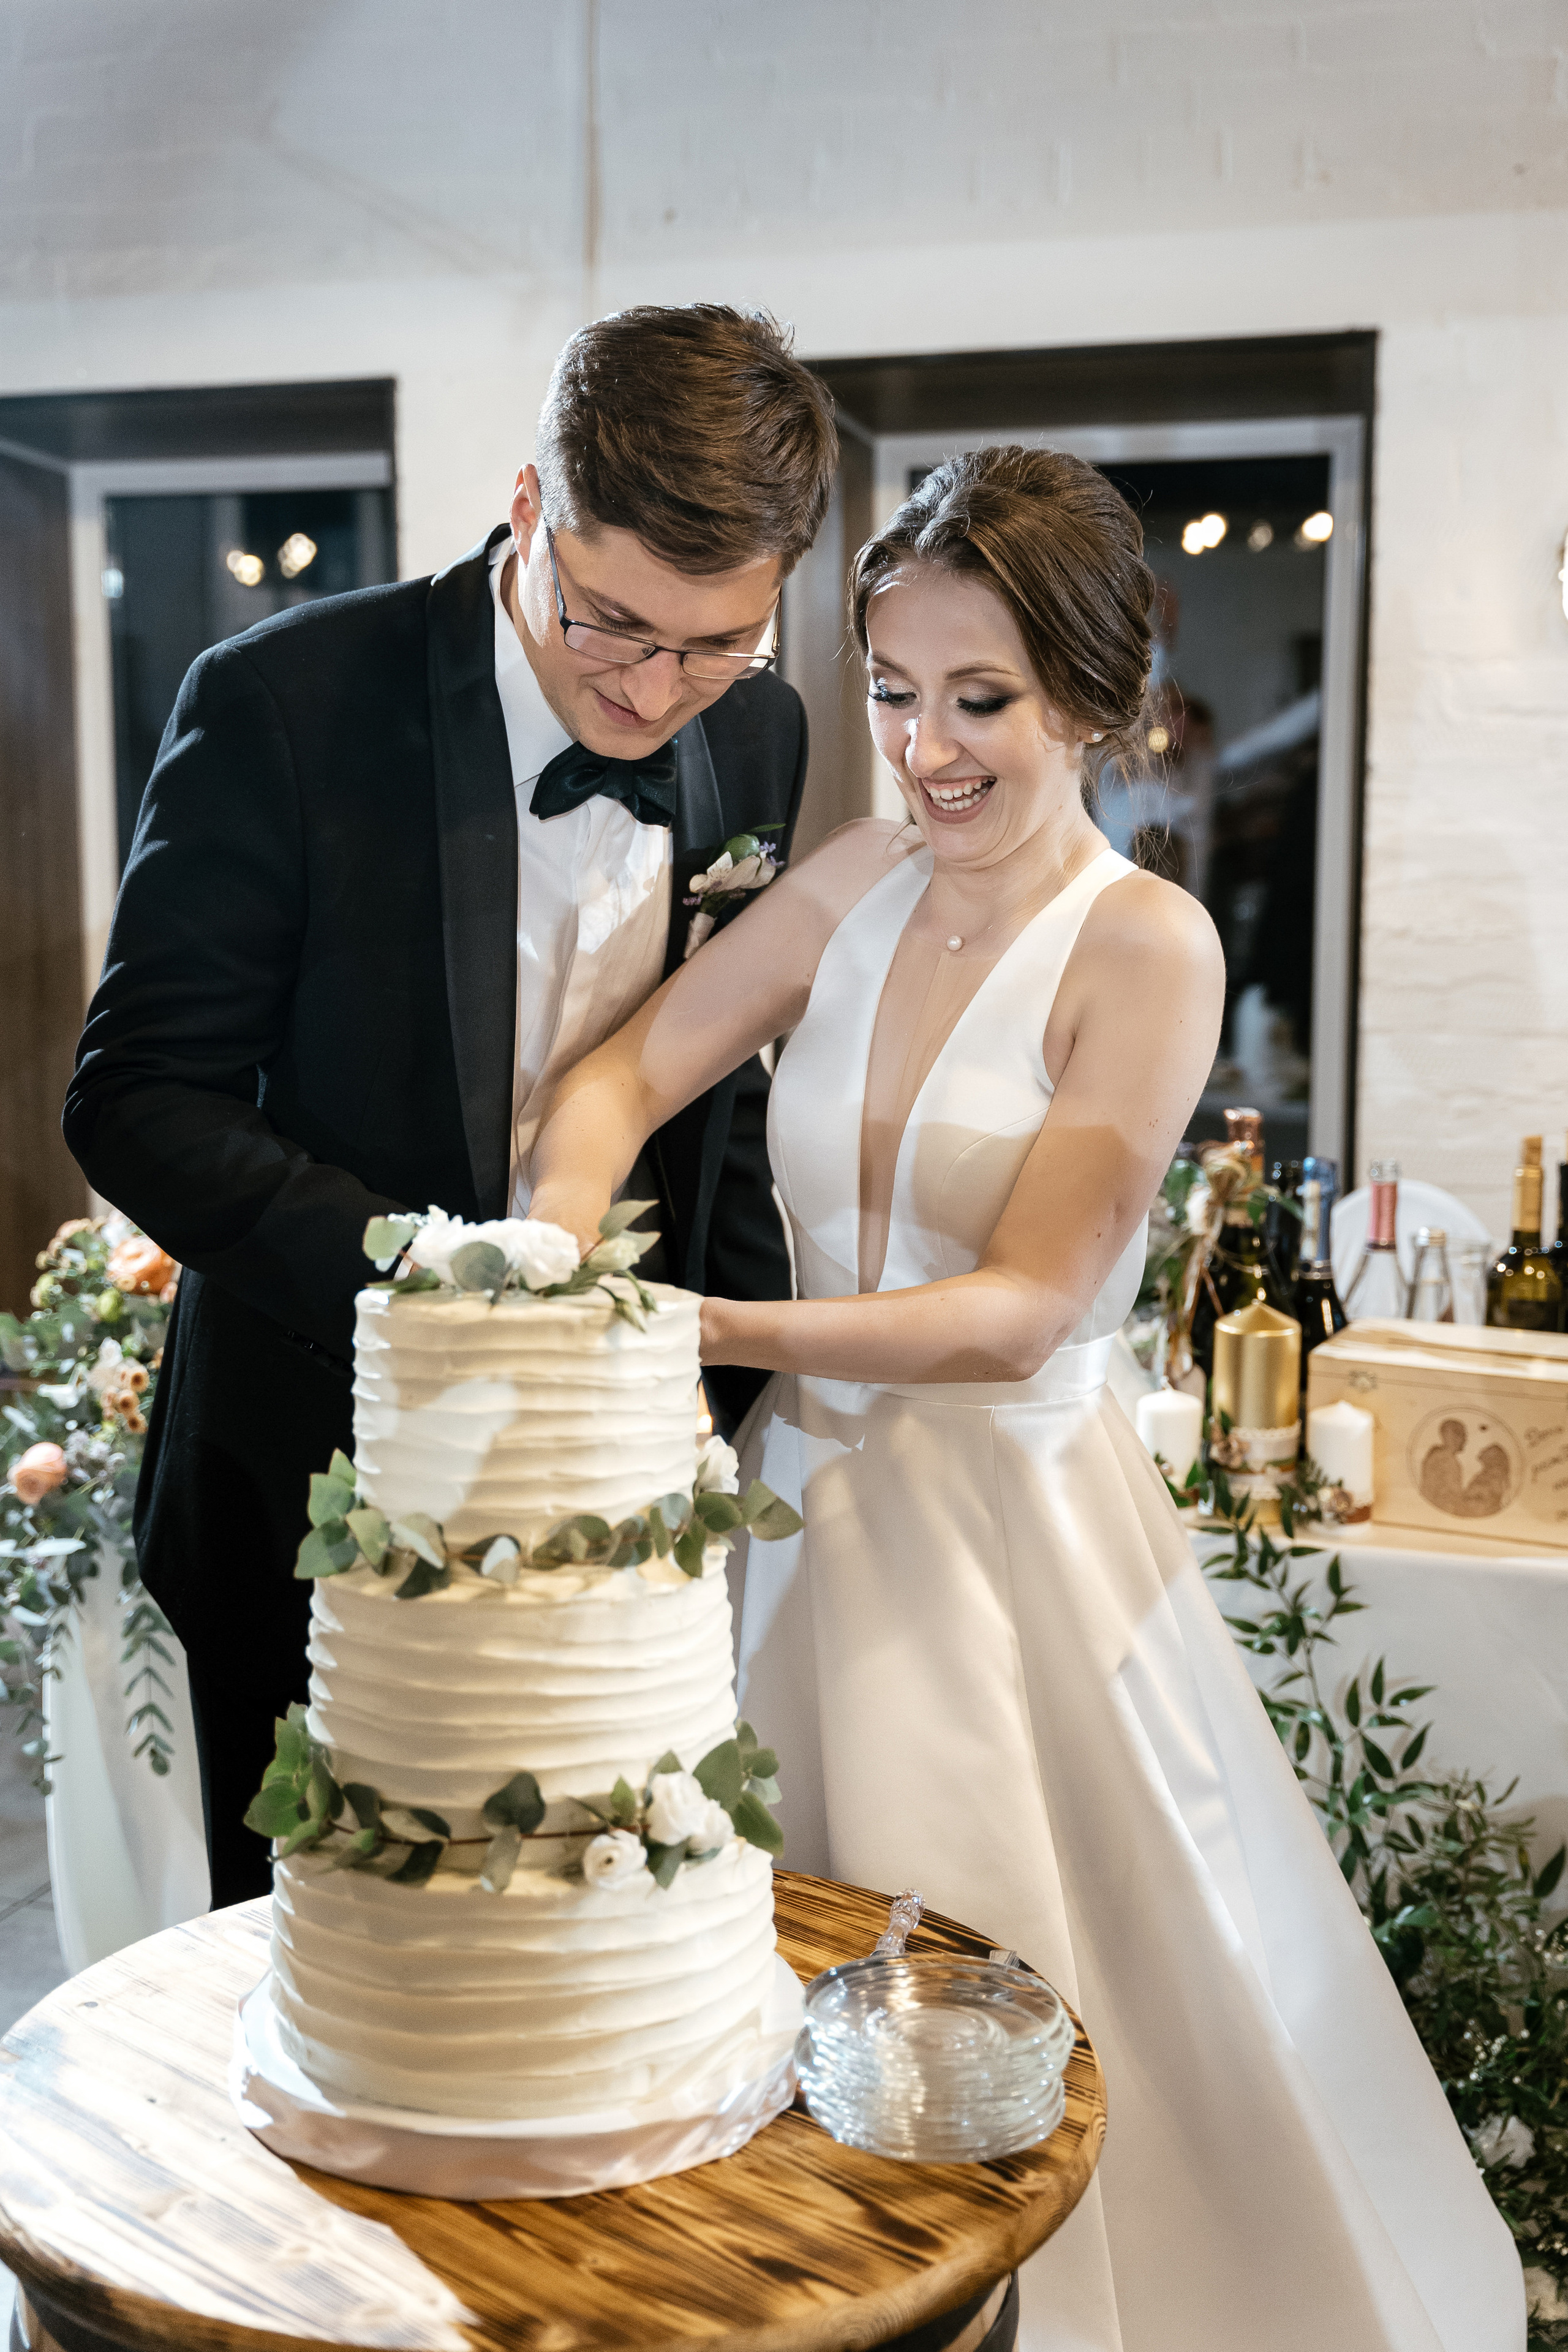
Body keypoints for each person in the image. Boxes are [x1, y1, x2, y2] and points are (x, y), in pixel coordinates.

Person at [525, 448, 1523, 2351]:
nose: (926, 749)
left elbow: (1019, 1312)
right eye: (894, 695)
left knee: (1025, 1986)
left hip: (1016, 1537)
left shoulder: (1145, 942)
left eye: (977, 700)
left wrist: (699, 1333)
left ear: (1092, 696)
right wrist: (558, 1257)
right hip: (800, 1529)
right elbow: (617, 1082)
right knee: (766, 2005)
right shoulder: (854, 881)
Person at [63, 303, 838, 1908]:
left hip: (606, 1473)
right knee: (321, 1976)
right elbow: (136, 1097)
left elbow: (715, 1081)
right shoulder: (285, 702)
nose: (658, 690)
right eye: (613, 622)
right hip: (309, 1461)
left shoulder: (760, 730)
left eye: (717, 642)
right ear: (530, 508)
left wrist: (728, 1370)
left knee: (574, 1971)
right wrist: (423, 1276)